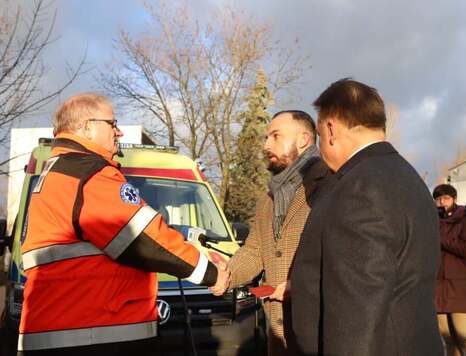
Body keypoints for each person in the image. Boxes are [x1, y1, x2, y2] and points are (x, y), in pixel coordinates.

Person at [18, 93, 229, 355]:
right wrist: (209, 271)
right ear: (87, 127)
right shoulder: (88, 173)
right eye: (112, 123)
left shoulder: (60, 170)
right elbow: (144, 237)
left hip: (62, 327)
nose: (118, 132)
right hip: (92, 332)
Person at [291, 78, 444, 356]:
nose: (321, 147)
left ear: (331, 128)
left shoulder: (358, 189)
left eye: (320, 136)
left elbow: (355, 315)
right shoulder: (409, 179)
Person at [226, 111, 329, 356]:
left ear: (304, 139)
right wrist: (224, 273)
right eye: (265, 138)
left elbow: (345, 256)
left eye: (275, 136)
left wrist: (303, 286)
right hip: (278, 337)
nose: (266, 145)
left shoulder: (331, 186)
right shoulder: (268, 199)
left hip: (320, 335)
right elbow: (254, 251)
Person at [433, 184, 466, 356]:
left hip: (461, 287)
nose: (442, 202)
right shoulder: (433, 221)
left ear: (454, 199)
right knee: (447, 337)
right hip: (438, 286)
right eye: (438, 199)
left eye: (446, 198)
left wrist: (440, 238)